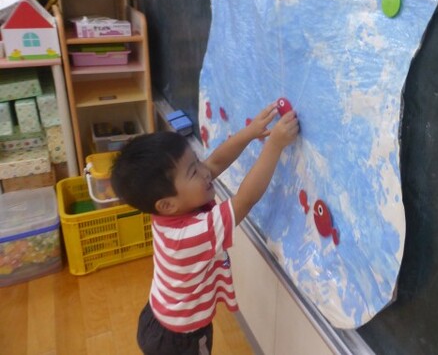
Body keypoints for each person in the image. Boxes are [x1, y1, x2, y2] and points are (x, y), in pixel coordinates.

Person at [111, 103, 299, 355]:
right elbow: (245, 200)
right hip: (180, 339)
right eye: (193, 171)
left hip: (160, 317)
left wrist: (250, 132)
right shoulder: (190, 235)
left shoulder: (171, 208)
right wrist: (274, 145)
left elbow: (215, 162)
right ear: (167, 204)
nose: (204, 171)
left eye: (197, 161)